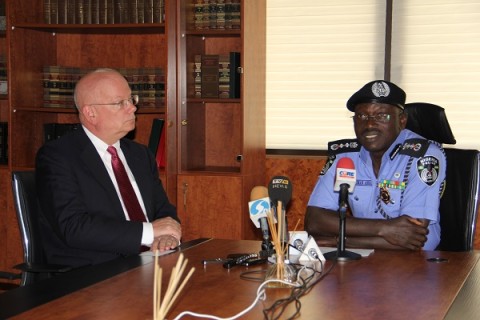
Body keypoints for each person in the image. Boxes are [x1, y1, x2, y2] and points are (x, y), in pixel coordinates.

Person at [36, 68, 181, 268]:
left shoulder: (140, 154)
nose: (132, 108)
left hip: (150, 263)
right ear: (90, 113)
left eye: (131, 99)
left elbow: (163, 210)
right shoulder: (58, 157)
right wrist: (149, 232)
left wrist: (167, 236)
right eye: (120, 103)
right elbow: (74, 227)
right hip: (94, 271)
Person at [304, 80, 446, 250]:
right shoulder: (345, 156)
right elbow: (314, 221)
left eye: (381, 116)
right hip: (360, 262)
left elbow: (413, 238)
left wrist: (340, 241)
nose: (370, 124)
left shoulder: (424, 156)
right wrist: (384, 229)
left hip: (415, 263)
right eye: (362, 116)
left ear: (401, 121)